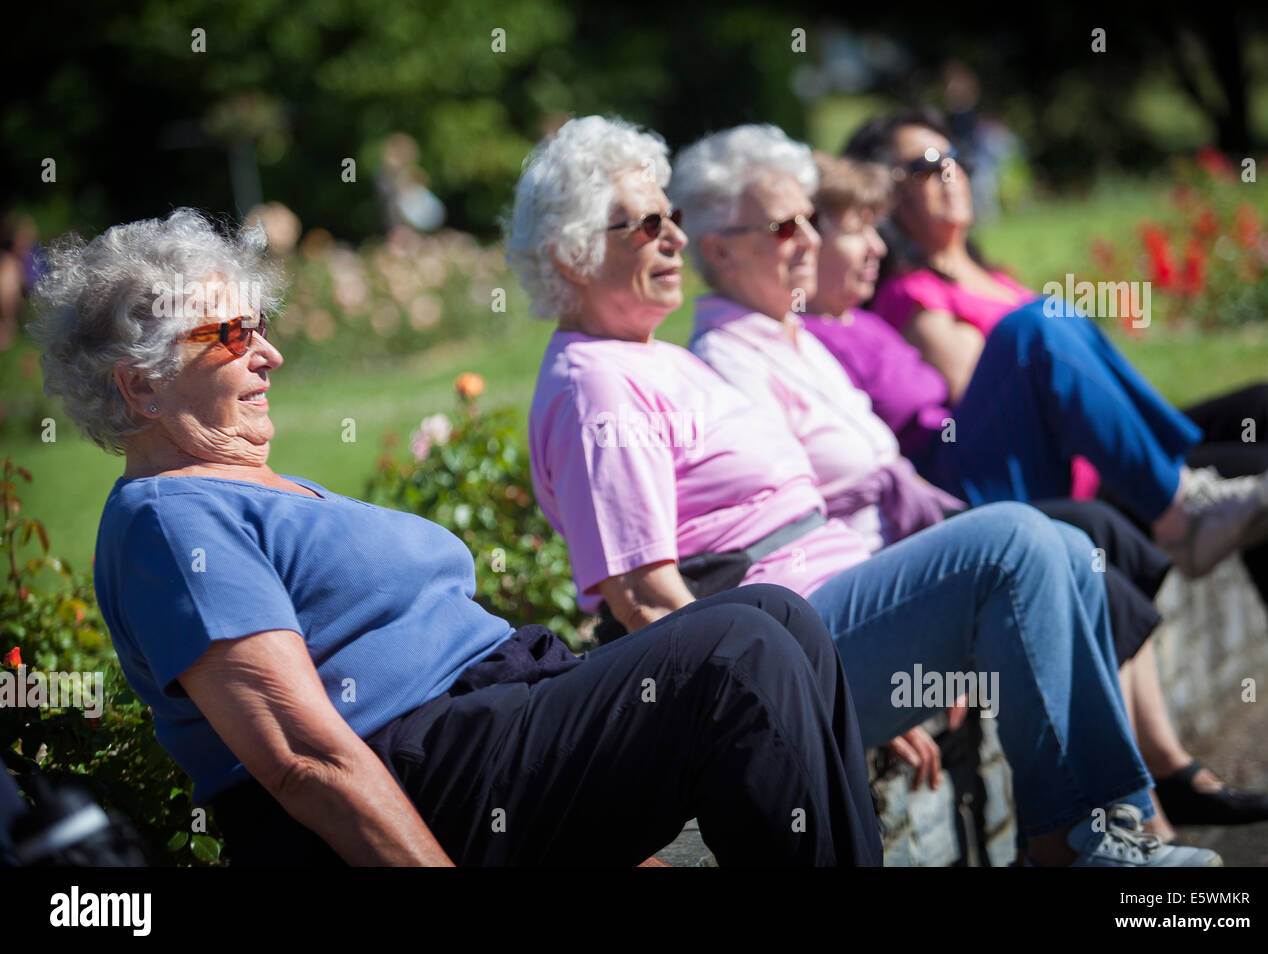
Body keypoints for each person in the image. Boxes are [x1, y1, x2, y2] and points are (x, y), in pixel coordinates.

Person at [28, 208, 883, 867]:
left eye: (263, 327)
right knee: (738, 650)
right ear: (141, 389)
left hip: (493, 736)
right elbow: (301, 758)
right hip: (432, 769)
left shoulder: (253, 486)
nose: (271, 356)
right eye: (232, 335)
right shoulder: (169, 520)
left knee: (782, 618)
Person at [511, 114, 1223, 866]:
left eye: (674, 217)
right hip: (782, 657)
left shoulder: (648, 359)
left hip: (824, 627)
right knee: (1012, 541)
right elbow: (647, 599)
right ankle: (1084, 842)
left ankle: (1088, 836)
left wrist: (890, 667)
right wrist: (816, 697)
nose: (676, 239)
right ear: (572, 252)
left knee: (1070, 546)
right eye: (646, 224)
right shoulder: (597, 388)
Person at [674, 138, 1268, 834]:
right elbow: (759, 551)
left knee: (1079, 539)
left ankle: (1131, 817)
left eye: (818, 221)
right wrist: (862, 668)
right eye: (790, 225)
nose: (813, 239)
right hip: (850, 593)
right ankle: (1113, 827)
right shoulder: (734, 363)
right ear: (719, 248)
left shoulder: (800, 341)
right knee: (1037, 522)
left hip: (901, 540)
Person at [846, 107, 1268, 740]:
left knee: (1267, 411)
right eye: (926, 165)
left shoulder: (994, 277)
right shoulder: (906, 292)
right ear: (883, 189)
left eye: (958, 159)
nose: (951, 174)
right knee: (1267, 473)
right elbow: (981, 388)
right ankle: (1181, 512)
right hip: (1038, 480)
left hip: (1092, 458)